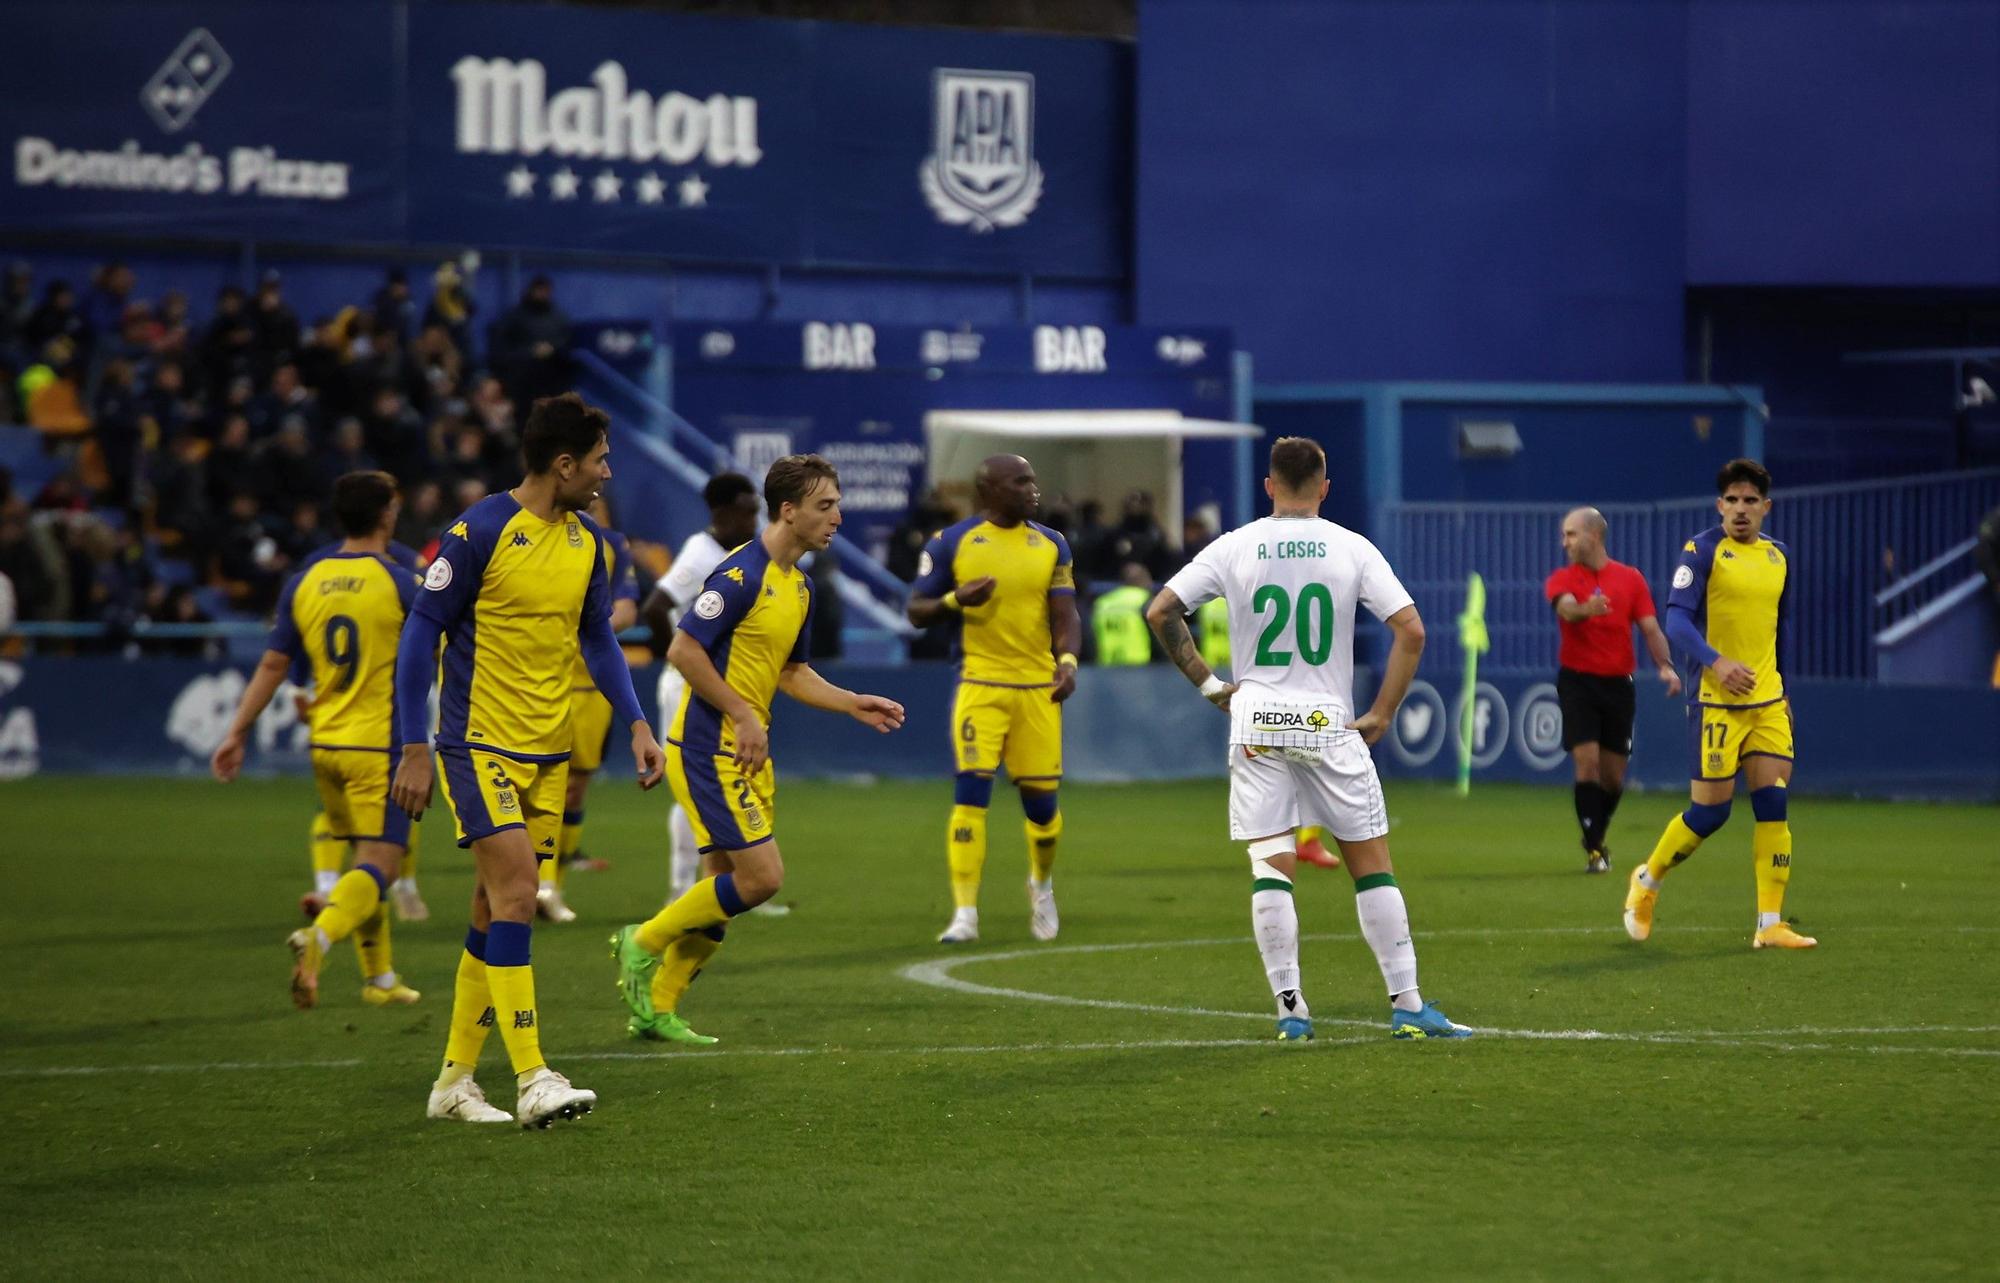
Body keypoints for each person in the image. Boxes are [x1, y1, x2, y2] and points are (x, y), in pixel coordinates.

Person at [391, 392, 665, 1127]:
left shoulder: (589, 545)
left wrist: (637, 723)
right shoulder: (480, 529)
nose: (608, 473)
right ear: (564, 463)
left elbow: (600, 640)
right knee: (517, 893)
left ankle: (453, 1082)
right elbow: (421, 634)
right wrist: (413, 744)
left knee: (493, 908)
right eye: (601, 459)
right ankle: (533, 1074)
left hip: (548, 749)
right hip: (478, 742)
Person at [1144, 436, 1471, 1042]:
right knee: (1371, 866)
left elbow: (1162, 611)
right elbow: (1413, 632)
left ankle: (1292, 1013)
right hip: (1326, 722)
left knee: (1272, 865)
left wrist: (1214, 687)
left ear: (1269, 486)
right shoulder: (1352, 548)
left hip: (1257, 721)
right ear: (1324, 487)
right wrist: (1380, 714)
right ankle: (1407, 1005)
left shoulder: (1235, 545)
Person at [610, 455, 905, 1044]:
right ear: (789, 511)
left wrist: (852, 702)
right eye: (825, 507)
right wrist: (742, 712)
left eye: (838, 505)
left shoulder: (798, 586)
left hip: (741, 754)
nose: (838, 518)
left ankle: (656, 1009)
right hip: (705, 749)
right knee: (763, 878)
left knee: (721, 887)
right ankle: (639, 942)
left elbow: (792, 673)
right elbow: (684, 650)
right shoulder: (740, 574)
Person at [208, 471, 422, 1011]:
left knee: (362, 858)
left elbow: (275, 662)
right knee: (383, 865)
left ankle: (380, 979)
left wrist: (237, 732)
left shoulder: (305, 579)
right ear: (387, 516)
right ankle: (320, 936)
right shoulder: (398, 582)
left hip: (325, 743)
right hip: (380, 745)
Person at [1625, 458, 1815, 950]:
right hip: (1716, 702)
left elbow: (1782, 627)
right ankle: (1647, 881)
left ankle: (1769, 923)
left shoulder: (1781, 557)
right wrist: (1716, 662)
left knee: (1773, 801)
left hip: (1768, 701)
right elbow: (1677, 621)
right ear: (1719, 506)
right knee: (1710, 814)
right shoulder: (1703, 550)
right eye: (1731, 500)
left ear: (1766, 507)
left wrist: (1785, 690)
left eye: (1750, 500)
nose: (1740, 509)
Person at [907, 454, 1081, 944]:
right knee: (971, 795)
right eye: (1020, 481)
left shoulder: (1052, 544)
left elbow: (1066, 615)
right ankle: (965, 913)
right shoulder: (951, 543)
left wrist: (1067, 664)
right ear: (989, 490)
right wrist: (953, 601)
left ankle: (1041, 885)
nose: (1033, 489)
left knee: (1042, 807)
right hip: (980, 686)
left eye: (1033, 479)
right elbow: (915, 611)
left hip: (1037, 688)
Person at [640, 472, 761, 902]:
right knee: (688, 787)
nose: (754, 521)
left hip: (716, 687)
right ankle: (680, 890)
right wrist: (673, 655)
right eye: (747, 513)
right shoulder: (700, 554)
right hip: (687, 685)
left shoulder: (738, 553)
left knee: (726, 785)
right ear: (722, 512)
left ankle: (731, 882)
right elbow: (655, 606)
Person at [1544, 506, 1681, 874]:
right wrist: (1588, 608)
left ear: (1594, 535)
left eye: (1571, 534)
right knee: (1586, 762)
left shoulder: (1630, 580)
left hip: (1619, 686)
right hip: (1577, 682)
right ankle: (1593, 848)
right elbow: (1568, 611)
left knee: (1613, 777)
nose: (1565, 543)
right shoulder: (1561, 579)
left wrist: (1666, 667)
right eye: (1564, 535)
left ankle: (1595, 837)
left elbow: (1650, 629)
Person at [536, 497, 642, 924]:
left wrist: (588, 620)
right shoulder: (528, 534)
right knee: (537, 790)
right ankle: (523, 883)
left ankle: (551, 887)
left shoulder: (611, 544)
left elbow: (629, 609)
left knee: (574, 788)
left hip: (588, 685)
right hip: (538, 681)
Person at [1091, 563, 1155, 665]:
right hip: (1140, 667)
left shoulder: (1102, 603)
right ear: (1145, 581)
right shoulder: (1145, 600)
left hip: (1106, 667)